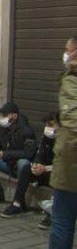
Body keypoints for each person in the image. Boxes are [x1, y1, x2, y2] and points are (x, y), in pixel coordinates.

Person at [0, 101, 37, 217]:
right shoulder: (2, 128)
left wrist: (5, 154)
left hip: (21, 170)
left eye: (4, 115)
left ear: (14, 116)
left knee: (23, 163)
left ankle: (19, 201)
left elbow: (28, 153)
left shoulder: (26, 131)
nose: (2, 118)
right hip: (8, 164)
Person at [49, 35, 77, 249]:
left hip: (71, 169)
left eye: (68, 49)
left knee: (62, 221)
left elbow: (73, 119)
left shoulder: (72, 77)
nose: (65, 54)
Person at [33, 112, 58, 230]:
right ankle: (17, 203)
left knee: (58, 177)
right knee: (24, 168)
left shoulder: (63, 140)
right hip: (45, 170)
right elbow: (40, 153)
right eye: (47, 125)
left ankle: (51, 215)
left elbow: (62, 164)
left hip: (56, 172)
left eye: (51, 125)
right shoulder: (46, 138)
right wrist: (36, 164)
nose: (48, 128)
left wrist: (46, 168)